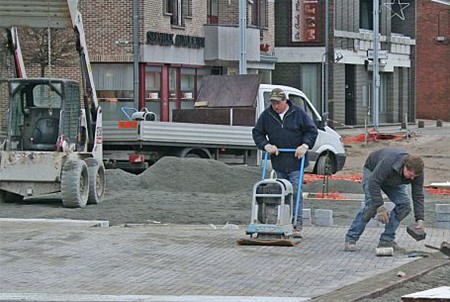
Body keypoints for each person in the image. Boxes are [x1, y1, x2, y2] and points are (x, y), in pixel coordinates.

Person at [252, 88, 318, 238]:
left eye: (278, 102)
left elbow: (312, 131)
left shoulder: (298, 113)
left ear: (285, 100)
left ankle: (296, 223)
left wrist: (305, 145)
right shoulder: (267, 116)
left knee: (295, 190)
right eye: (273, 103)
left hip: (296, 160)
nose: (275, 106)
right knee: (279, 192)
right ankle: (277, 221)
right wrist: (266, 145)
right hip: (279, 160)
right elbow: (257, 132)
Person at [344, 147, 426, 252]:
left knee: (404, 206)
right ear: (405, 167)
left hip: (393, 180)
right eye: (410, 175)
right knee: (371, 206)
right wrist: (380, 207)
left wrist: (420, 219)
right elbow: (374, 182)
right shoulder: (389, 161)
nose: (412, 179)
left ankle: (386, 240)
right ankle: (351, 238)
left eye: (415, 176)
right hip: (373, 172)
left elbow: (418, 195)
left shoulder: (417, 173)